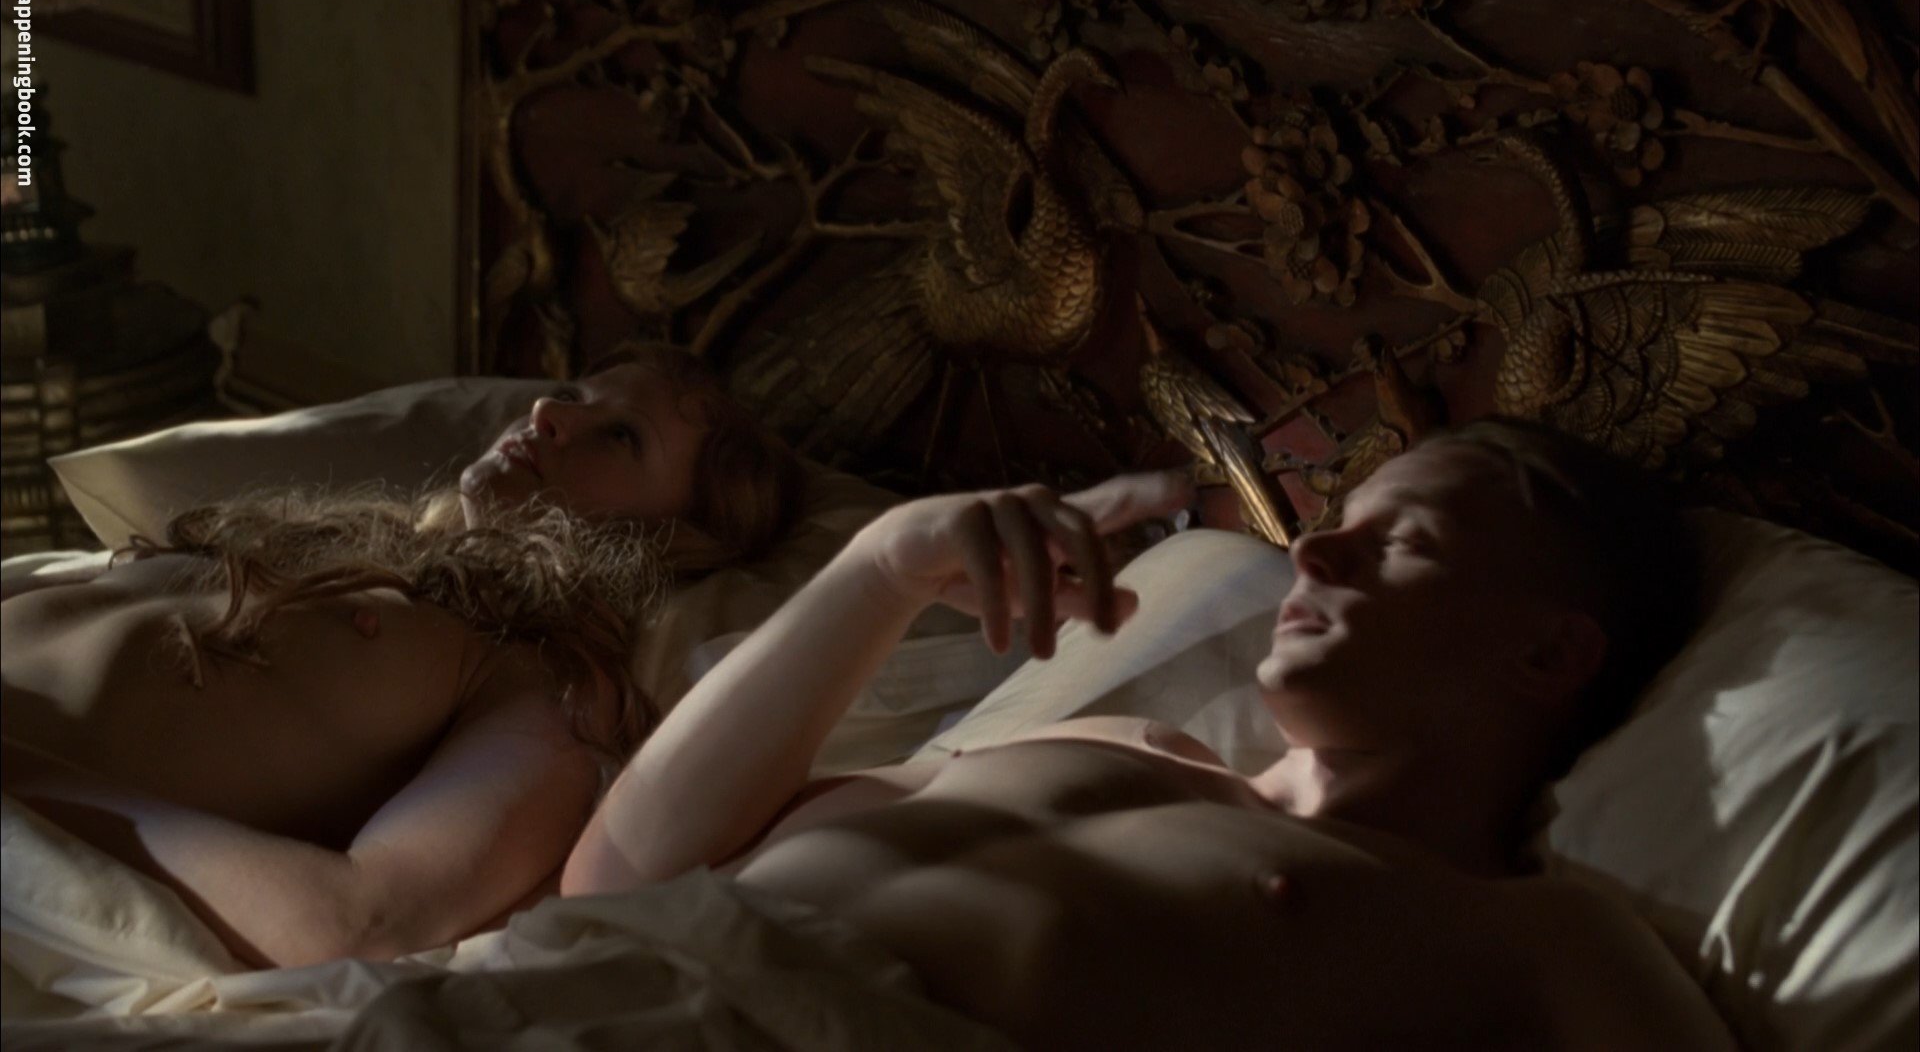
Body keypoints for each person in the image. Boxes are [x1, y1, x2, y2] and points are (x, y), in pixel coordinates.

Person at [562, 417, 1736, 1049]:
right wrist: (881, 571)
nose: (1314, 550)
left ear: (1548, 655)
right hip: (562, 994)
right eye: (1339, 520)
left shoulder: (1538, 936)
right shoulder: (1109, 741)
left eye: (1406, 543)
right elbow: (620, 876)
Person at [0, 343, 803, 969]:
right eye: (573, 394)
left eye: (622, 436)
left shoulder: (537, 675)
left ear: (674, 541)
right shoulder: (329, 540)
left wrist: (25, 782)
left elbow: (367, 918)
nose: (548, 412)